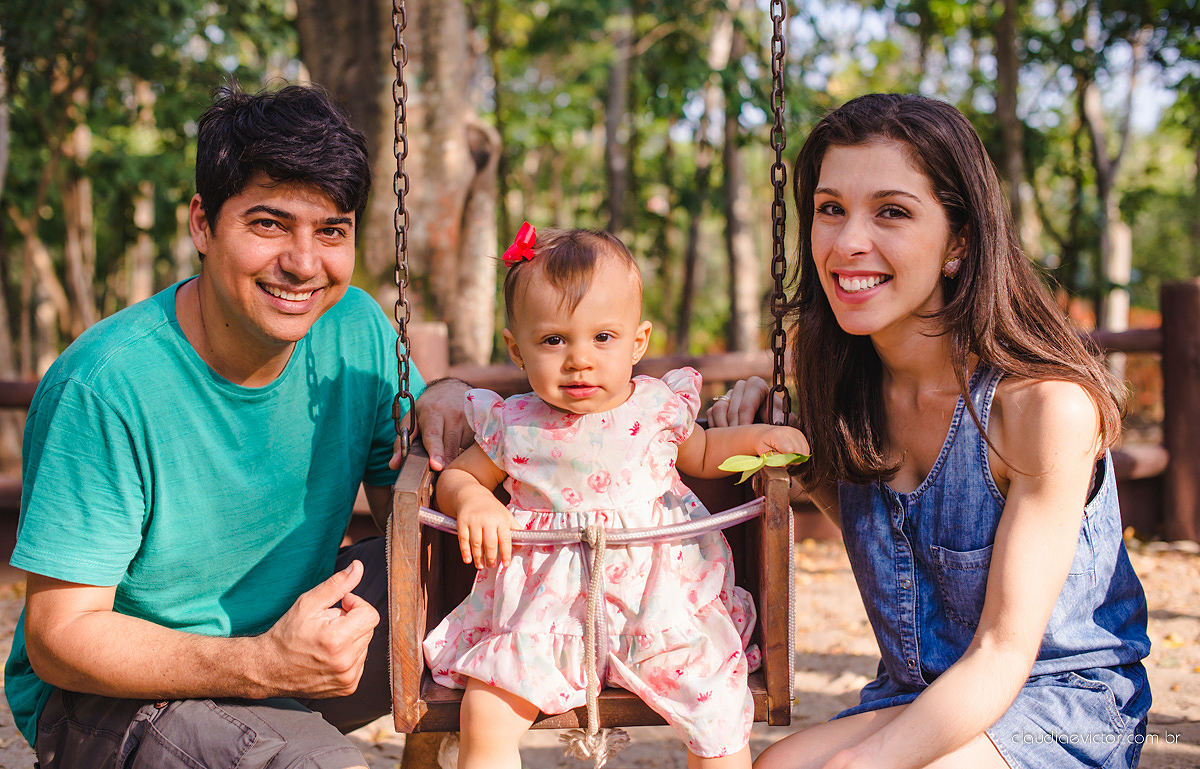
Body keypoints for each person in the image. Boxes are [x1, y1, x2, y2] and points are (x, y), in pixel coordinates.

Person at [4, 84, 472, 769]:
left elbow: (416, 516)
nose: (304, 264)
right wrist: (262, 663)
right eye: (269, 224)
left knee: (484, 563)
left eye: (331, 231)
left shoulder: (354, 328)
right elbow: (58, 636)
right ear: (202, 224)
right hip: (113, 693)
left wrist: (452, 397)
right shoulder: (106, 384)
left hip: (286, 640)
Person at [710, 93, 1151, 769]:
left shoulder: (1043, 409)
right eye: (831, 209)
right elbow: (891, 541)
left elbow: (1003, 650)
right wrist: (767, 434)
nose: (848, 242)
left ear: (959, 241)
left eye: (891, 211)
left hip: (1062, 704)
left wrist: (871, 759)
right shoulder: (841, 393)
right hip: (918, 693)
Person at [421, 225, 810, 769]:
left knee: (718, 706)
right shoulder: (515, 425)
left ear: (638, 342)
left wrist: (760, 440)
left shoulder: (656, 408)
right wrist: (473, 502)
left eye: (602, 337)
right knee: (485, 713)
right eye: (553, 340)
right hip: (545, 619)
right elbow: (456, 477)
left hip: (660, 612)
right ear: (516, 349)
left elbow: (703, 453)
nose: (579, 359)